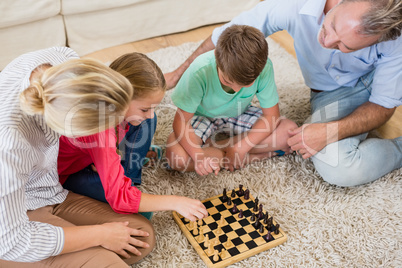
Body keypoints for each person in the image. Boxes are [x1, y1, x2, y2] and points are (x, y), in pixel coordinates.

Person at [164, 0, 402, 186]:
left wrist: (330, 131)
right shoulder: (295, 4)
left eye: (345, 47)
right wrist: (177, 75)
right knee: (177, 155)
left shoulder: (395, 40)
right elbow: (226, 36)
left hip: (369, 94)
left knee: (335, 164)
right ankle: (225, 149)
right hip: (329, 92)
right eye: (331, 26)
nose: (327, 42)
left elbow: (383, 106)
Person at [0, 47, 155, 267]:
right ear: (73, 131)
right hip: (15, 218)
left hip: (50, 191)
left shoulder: (64, 61)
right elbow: (12, 241)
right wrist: (100, 235)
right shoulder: (10, 146)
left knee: (140, 236)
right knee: (110, 261)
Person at [58, 52, 208, 221]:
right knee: (140, 213)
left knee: (146, 122)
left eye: (152, 107)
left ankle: (126, 177)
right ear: (120, 98)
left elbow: (143, 119)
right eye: (145, 109)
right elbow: (119, 200)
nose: (150, 114)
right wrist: (176, 202)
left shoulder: (111, 103)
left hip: (93, 154)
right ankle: (123, 180)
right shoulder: (101, 129)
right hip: (70, 173)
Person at [166, 25, 297, 176]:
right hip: (201, 116)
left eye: (246, 84)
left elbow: (271, 116)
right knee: (176, 157)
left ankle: (218, 148)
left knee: (289, 132)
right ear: (217, 58)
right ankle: (248, 157)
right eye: (227, 82)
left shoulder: (264, 67)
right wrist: (198, 156)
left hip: (240, 112)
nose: (236, 90)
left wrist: (241, 147)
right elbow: (181, 122)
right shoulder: (200, 70)